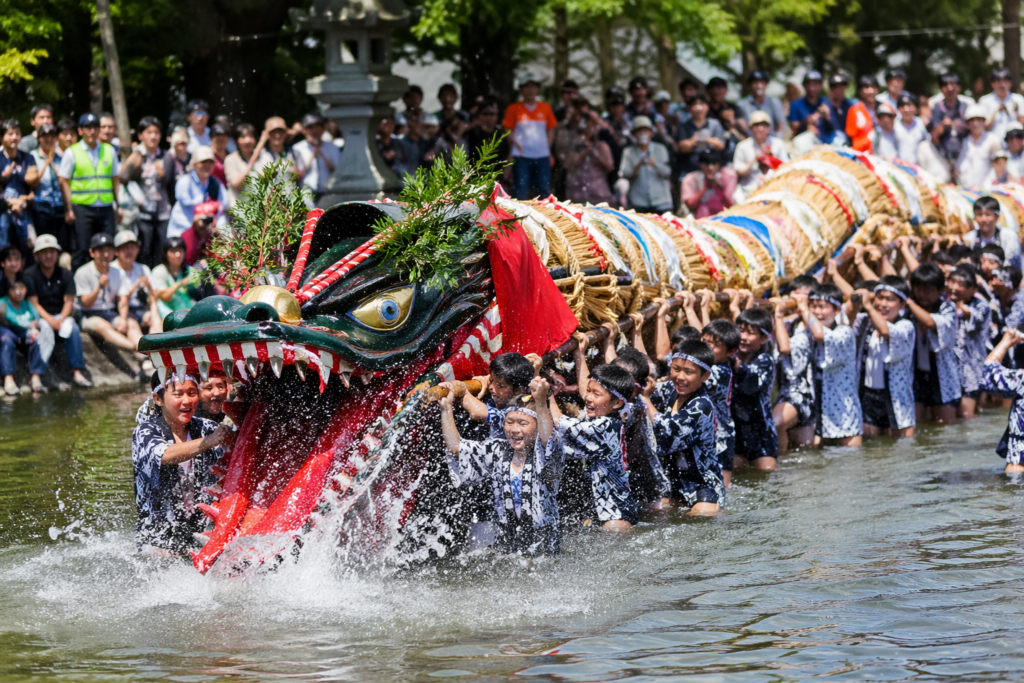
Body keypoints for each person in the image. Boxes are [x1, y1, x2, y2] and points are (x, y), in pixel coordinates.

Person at [440, 375, 562, 556]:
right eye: (509, 422)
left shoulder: (544, 452)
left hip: (543, 541)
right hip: (507, 537)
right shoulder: (497, 449)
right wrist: (446, 409)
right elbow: (456, 447)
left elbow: (548, 437)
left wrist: (541, 403)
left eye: (523, 423)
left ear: (537, 427)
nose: (514, 429)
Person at [132, 372, 232, 554]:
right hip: (157, 537)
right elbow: (165, 454)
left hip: (199, 530)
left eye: (192, 393)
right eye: (178, 394)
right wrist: (208, 441)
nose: (187, 401)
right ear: (158, 399)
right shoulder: (145, 431)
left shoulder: (206, 427)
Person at [553, 344, 637, 530]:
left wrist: (548, 395)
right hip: (614, 511)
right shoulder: (617, 415)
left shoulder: (604, 426)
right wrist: (580, 353)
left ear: (616, 403)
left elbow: (560, 423)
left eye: (595, 394)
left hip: (616, 518)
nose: (588, 397)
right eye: (588, 391)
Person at [642, 339, 722, 513]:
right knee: (653, 511)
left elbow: (671, 430)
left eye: (688, 372)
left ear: (705, 375)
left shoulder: (702, 405)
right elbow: (640, 381)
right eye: (676, 369)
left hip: (703, 485)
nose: (680, 377)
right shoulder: (669, 389)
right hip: (673, 483)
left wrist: (646, 399)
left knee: (701, 515)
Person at [787, 283, 862, 446]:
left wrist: (804, 309)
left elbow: (820, 334)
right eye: (812, 307)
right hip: (818, 414)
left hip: (844, 415)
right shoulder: (807, 332)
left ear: (836, 310)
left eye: (822, 307)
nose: (817, 312)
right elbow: (787, 348)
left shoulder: (845, 332)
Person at [850, 277, 916, 438]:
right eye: (880, 298)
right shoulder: (867, 321)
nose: (883, 304)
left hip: (896, 399)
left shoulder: (905, 326)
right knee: (872, 451)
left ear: (902, 305)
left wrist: (868, 306)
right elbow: (847, 327)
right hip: (868, 397)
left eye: (890, 300)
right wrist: (855, 304)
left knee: (901, 450)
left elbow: (887, 331)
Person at [23, 234, 91, 388]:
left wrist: (61, 318)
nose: (48, 255)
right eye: (44, 252)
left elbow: (69, 300)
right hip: (39, 317)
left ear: (57, 253)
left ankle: (77, 372)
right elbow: (33, 303)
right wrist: (50, 320)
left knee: (72, 327)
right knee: (45, 329)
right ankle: (36, 375)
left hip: (60, 316)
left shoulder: (65, 274)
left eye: (52, 251)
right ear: (37, 255)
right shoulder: (29, 274)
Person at [59, 113, 120, 270]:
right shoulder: (72, 152)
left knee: (108, 246)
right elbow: (63, 181)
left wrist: (118, 205)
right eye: (88, 128)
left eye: (95, 127)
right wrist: (69, 208)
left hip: (106, 206)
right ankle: (79, 288)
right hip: (82, 207)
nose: (92, 131)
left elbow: (115, 179)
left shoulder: (109, 150)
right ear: (80, 131)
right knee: (83, 248)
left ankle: (109, 283)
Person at [907, 262, 960, 424]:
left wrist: (909, 302)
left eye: (928, 290)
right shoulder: (905, 310)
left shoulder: (948, 308)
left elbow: (931, 322)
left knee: (944, 428)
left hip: (942, 376)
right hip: (915, 376)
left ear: (940, 291)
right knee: (918, 425)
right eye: (919, 288)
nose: (923, 294)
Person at [74, 232, 143, 356]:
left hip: (108, 312)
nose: (106, 255)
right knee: (103, 325)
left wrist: (123, 318)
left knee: (131, 323)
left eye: (109, 250)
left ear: (114, 252)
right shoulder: (82, 272)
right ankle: (137, 351)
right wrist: (99, 287)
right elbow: (86, 303)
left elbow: (123, 299)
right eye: (101, 251)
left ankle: (145, 351)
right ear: (92, 253)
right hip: (86, 314)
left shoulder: (118, 273)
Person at [732, 306, 778, 471]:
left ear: (764, 338)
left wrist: (733, 361)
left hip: (761, 433)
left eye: (750, 333)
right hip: (735, 431)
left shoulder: (765, 360)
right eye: (740, 331)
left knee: (766, 472)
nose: (743, 337)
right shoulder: (729, 360)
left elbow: (751, 384)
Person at [120, 117, 170, 268]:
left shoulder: (166, 155)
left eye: (156, 132)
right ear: (141, 135)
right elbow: (122, 177)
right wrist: (136, 166)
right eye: (149, 132)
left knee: (161, 252)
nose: (153, 136)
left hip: (162, 213)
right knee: (144, 251)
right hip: (143, 213)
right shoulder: (138, 155)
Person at [503, 75, 557, 200]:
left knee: (543, 189)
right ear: (521, 90)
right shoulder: (513, 109)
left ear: (538, 89)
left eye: (533, 86)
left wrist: (547, 146)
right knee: (521, 188)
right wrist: (514, 147)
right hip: (521, 156)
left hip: (542, 156)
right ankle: (518, 217)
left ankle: (545, 218)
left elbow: (551, 128)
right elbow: (508, 130)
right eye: (526, 86)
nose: (530, 89)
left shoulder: (546, 108)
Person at [946, 263, 989, 418]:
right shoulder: (944, 303)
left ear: (973, 289)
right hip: (949, 368)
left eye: (961, 285)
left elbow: (975, 319)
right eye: (952, 282)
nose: (954, 287)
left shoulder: (981, 306)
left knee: (966, 416)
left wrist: (962, 310)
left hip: (971, 369)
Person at [555, 100, 613, 205]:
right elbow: (567, 164)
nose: (590, 128)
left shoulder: (601, 146)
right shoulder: (572, 142)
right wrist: (583, 152)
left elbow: (609, 167)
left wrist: (594, 152)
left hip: (599, 196)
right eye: (587, 124)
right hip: (576, 196)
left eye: (593, 125)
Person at [0, 276, 50, 394]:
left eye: (21, 288)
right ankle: (8, 379)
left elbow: (37, 319)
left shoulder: (27, 304)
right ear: (9, 290)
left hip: (24, 335)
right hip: (7, 332)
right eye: (15, 289)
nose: (18, 292)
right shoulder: (3, 303)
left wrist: (35, 329)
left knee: (38, 338)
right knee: (7, 340)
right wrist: (30, 326)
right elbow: (11, 319)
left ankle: (36, 378)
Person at [0, 119, 39, 260]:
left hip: (24, 211)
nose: (14, 137)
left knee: (29, 247)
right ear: (1, 137)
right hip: (3, 210)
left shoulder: (28, 157)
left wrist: (23, 200)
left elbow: (33, 182)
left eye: (17, 133)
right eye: (10, 134)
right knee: (3, 247)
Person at [167, 146, 223, 240]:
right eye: (203, 162)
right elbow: (187, 207)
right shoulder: (184, 181)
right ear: (194, 164)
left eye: (210, 162)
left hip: (207, 233)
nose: (207, 166)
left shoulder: (216, 183)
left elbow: (223, 206)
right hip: (182, 232)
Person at [732, 110, 788, 202]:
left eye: (764, 125)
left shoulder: (778, 143)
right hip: (750, 187)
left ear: (768, 128)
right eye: (757, 126)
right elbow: (739, 170)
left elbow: (786, 167)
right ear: (751, 128)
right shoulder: (743, 146)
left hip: (775, 186)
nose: (760, 128)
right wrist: (755, 159)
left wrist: (771, 159)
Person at [110, 230, 159, 337]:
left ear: (137, 250)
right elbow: (116, 300)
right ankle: (142, 352)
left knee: (155, 319)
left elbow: (154, 295)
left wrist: (149, 287)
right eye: (125, 248)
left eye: (132, 248)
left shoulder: (143, 269)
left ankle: (157, 349)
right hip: (119, 311)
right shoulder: (111, 269)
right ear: (116, 251)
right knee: (132, 324)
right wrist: (136, 284)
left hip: (140, 309)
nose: (129, 251)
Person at [620, 116, 672, 213]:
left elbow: (667, 172)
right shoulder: (628, 151)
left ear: (651, 133)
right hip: (638, 201)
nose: (643, 134)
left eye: (646, 131)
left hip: (661, 201)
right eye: (639, 132)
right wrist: (638, 165)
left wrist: (653, 163)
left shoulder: (660, 149)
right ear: (634, 135)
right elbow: (625, 174)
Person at [29, 124, 68, 254]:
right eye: (45, 136)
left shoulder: (62, 157)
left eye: (52, 136)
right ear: (39, 138)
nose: (49, 140)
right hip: (41, 206)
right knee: (44, 244)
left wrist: (52, 162)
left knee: (60, 245)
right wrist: (47, 163)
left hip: (59, 206)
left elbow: (64, 180)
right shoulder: (32, 157)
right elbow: (34, 182)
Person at [293, 112, 341, 204]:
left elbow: (337, 172)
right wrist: (313, 154)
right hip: (307, 193)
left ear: (323, 128)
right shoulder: (298, 148)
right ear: (304, 130)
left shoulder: (333, 148)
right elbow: (298, 174)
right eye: (310, 127)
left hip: (327, 193)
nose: (314, 130)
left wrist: (322, 154)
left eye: (318, 126)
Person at [963, 196, 1022, 271]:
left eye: (988, 215)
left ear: (997, 217)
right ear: (974, 217)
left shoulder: (1009, 237)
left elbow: (1013, 267)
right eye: (979, 215)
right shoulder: (969, 238)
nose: (984, 219)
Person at [151, 237, 201, 319]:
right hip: (166, 314)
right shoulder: (158, 271)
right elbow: (164, 297)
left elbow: (198, 296)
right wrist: (179, 284)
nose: (178, 255)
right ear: (165, 254)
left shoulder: (192, 271)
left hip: (189, 312)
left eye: (180, 251)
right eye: (173, 251)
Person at [930, 73, 969, 170]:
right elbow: (934, 135)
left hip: (964, 153)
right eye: (945, 85)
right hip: (944, 153)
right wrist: (943, 125)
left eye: (953, 84)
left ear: (959, 87)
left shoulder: (965, 107)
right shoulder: (937, 108)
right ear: (941, 89)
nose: (950, 88)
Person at [682, 150, 736, 218]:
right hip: (699, 220)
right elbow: (690, 204)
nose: (710, 168)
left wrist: (718, 187)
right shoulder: (692, 179)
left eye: (713, 164)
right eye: (706, 163)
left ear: (718, 165)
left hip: (720, 219)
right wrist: (705, 187)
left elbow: (730, 206)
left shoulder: (724, 177)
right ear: (700, 165)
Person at [956, 105, 998, 187]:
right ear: (967, 124)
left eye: (979, 119)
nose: (975, 123)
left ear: (983, 121)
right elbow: (958, 168)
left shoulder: (992, 139)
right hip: (967, 190)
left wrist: (988, 185)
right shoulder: (964, 142)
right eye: (971, 120)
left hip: (987, 190)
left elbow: (999, 166)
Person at [979, 67, 1024, 144]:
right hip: (992, 144)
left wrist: (1015, 112)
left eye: (1005, 80)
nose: (1002, 85)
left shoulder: (1018, 99)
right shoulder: (984, 101)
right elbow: (982, 127)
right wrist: (997, 110)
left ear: (1010, 83)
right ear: (992, 84)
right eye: (998, 81)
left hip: (1014, 143)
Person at [464, 98, 511, 169]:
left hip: (496, 173)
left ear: (497, 116)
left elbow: (507, 155)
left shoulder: (501, 134)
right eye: (485, 114)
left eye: (492, 114)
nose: (489, 118)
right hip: (475, 172)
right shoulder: (472, 133)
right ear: (479, 115)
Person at [737, 70, 786, 136]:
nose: (759, 86)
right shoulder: (741, 104)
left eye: (762, 83)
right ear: (749, 86)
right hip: (750, 140)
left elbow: (780, 124)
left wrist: (776, 139)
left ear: (766, 85)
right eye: (755, 83)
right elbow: (743, 127)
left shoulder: (774, 102)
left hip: (771, 139)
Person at [787, 70, 832, 139]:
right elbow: (793, 127)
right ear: (804, 85)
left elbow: (838, 127)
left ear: (820, 85)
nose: (811, 88)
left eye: (815, 84)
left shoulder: (827, 102)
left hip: (826, 140)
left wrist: (828, 117)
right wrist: (807, 121)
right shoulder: (796, 104)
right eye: (808, 84)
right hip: (804, 140)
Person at [846, 76, 880, 152]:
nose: (870, 90)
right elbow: (850, 137)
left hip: (882, 153)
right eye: (866, 87)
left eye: (873, 87)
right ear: (860, 91)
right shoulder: (854, 110)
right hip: (861, 153)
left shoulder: (884, 108)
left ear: (878, 90)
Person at [894, 95, 928, 164]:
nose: (906, 110)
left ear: (916, 108)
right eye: (902, 106)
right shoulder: (895, 125)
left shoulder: (920, 123)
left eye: (909, 105)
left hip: (919, 166)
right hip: (900, 165)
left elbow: (926, 140)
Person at [823, 74, 856, 145]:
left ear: (845, 87)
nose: (838, 90)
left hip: (849, 142)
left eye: (841, 86)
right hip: (829, 143)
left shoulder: (851, 105)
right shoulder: (825, 106)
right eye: (834, 87)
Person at [162, 129, 191, 208]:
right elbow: (165, 181)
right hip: (174, 201)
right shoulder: (169, 157)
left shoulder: (191, 157)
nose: (181, 145)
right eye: (179, 143)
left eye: (183, 143)